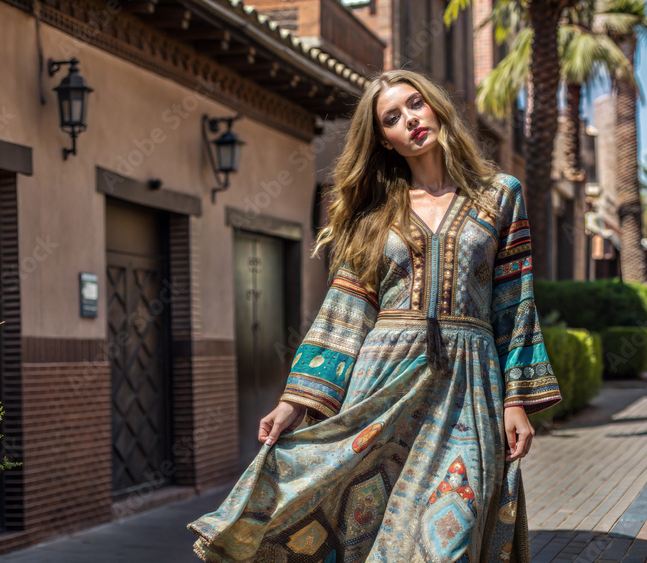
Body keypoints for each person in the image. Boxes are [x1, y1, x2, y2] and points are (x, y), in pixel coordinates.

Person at [186, 68, 563, 562]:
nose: (410, 119)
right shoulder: (374, 213)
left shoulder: (500, 194)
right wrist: (295, 401)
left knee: (451, 539)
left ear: (435, 107)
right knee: (369, 530)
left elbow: (514, 302)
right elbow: (344, 312)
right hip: (383, 382)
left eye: (415, 104)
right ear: (384, 140)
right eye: (392, 118)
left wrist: (516, 400)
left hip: (469, 384)